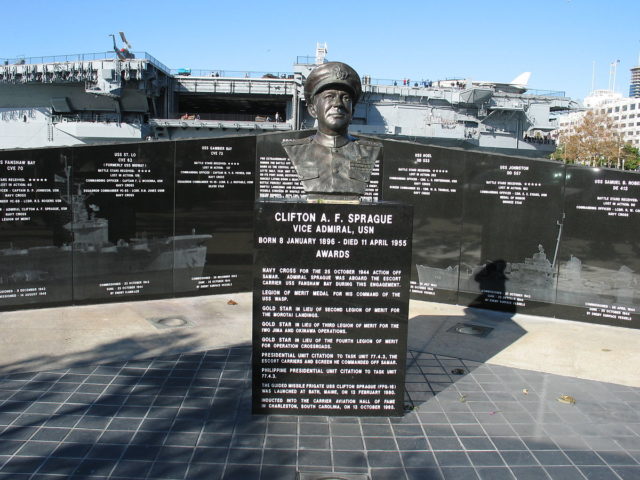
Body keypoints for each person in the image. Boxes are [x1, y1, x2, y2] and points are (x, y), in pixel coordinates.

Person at [282, 62, 382, 202]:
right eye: (329, 96)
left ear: (352, 112)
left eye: (345, 98)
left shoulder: (370, 151)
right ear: (312, 110)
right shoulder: (295, 150)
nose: (338, 104)